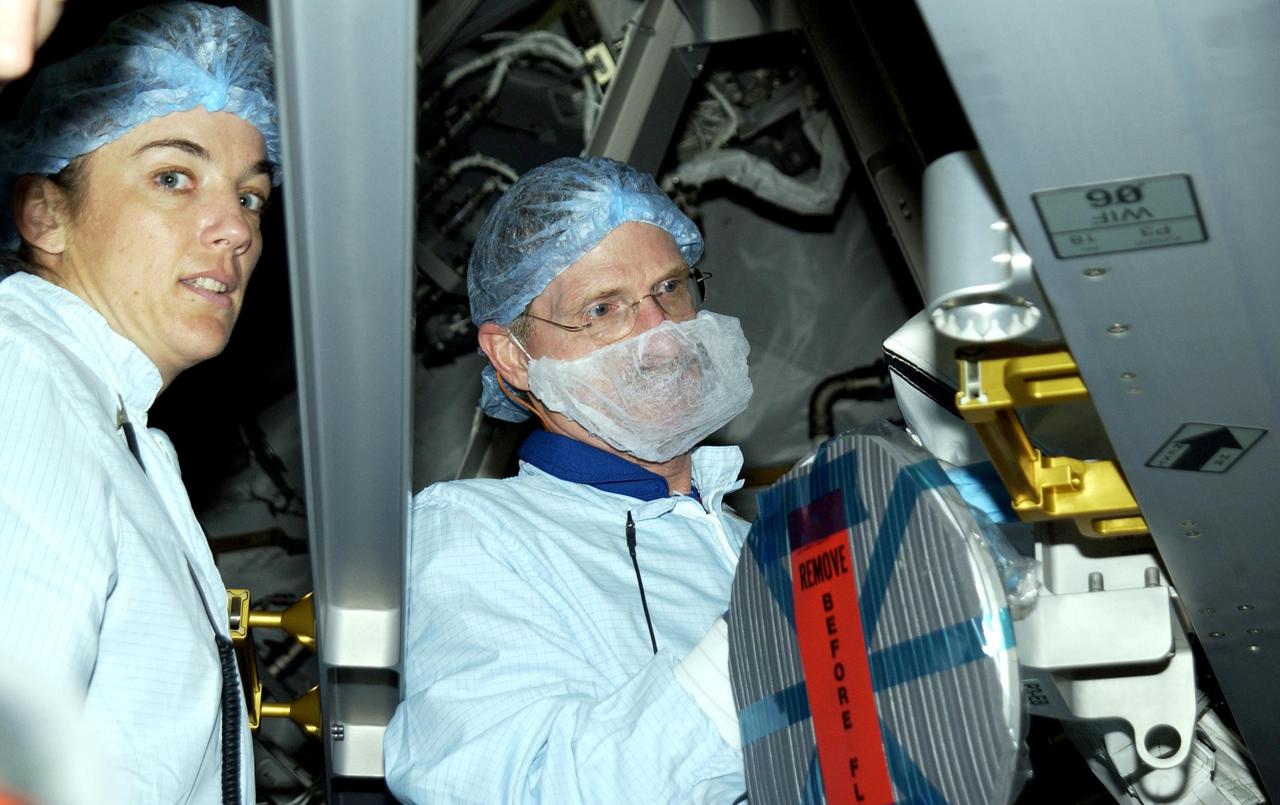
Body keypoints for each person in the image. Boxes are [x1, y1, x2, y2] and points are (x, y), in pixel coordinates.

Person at [384, 156, 755, 803]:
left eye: (670, 289)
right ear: (513, 357)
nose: (662, 335)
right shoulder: (473, 534)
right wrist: (768, 641)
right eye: (605, 308)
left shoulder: (759, 539)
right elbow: (521, 786)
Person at [0, 4, 280, 804]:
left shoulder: (117, 425)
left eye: (252, 198)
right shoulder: (25, 373)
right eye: (172, 177)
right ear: (43, 214)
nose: (233, 228)